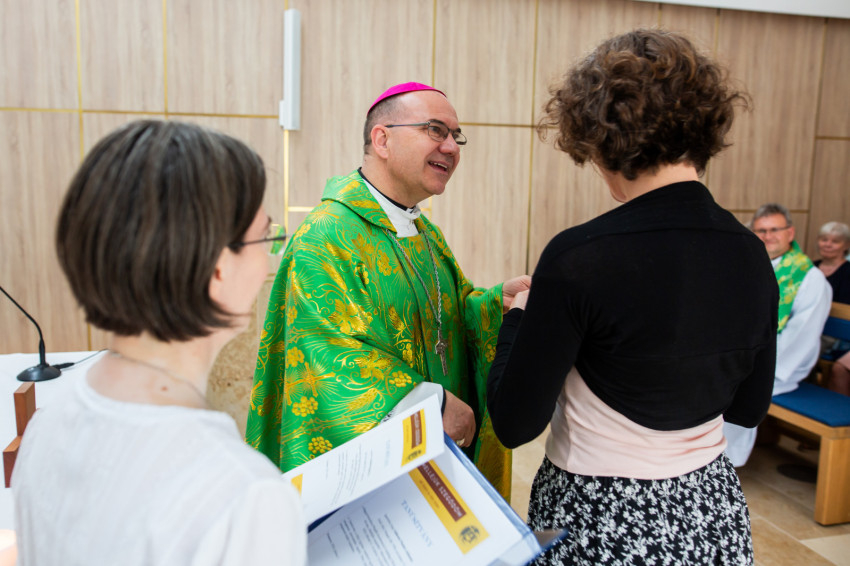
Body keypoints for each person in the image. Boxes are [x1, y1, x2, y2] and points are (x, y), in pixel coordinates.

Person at [486, 29, 778, 565]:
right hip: (711, 508)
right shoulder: (751, 253)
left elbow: (514, 423)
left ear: (602, 139)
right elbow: (749, 407)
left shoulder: (580, 256)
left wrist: (520, 319)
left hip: (600, 512)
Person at [11, 121, 306, 566]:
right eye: (268, 238)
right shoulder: (244, 495)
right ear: (218, 269)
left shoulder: (46, 426)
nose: (269, 260)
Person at [246, 82, 530, 497]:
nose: (451, 147)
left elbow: (444, 317)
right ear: (382, 140)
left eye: (456, 136)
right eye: (435, 130)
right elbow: (326, 355)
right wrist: (430, 404)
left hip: (434, 455)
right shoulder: (327, 235)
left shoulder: (424, 232)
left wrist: (492, 304)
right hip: (372, 474)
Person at [724, 204, 833, 465]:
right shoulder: (751, 267)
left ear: (790, 233)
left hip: (783, 363)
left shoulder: (810, 278)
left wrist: (754, 363)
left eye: (774, 230)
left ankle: (727, 461)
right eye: (761, 231)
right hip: (746, 354)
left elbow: (802, 334)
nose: (768, 236)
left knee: (730, 387)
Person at [814, 221, 850, 304]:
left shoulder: (848, 271)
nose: (828, 245)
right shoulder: (809, 267)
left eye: (835, 241)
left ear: (846, 245)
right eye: (824, 240)